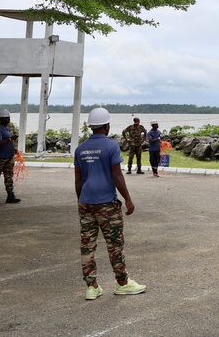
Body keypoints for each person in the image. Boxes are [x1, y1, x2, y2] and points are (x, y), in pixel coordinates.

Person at [74, 107, 146, 300]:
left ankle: (92, 287)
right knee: (114, 244)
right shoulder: (111, 146)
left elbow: (78, 180)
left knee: (87, 245)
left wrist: (82, 201)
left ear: (91, 126)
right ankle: (122, 283)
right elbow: (116, 174)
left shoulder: (80, 149)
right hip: (106, 202)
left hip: (85, 202)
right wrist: (128, 200)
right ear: (106, 125)